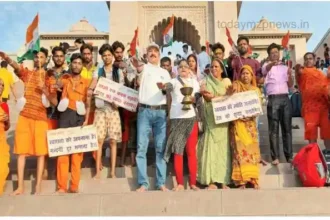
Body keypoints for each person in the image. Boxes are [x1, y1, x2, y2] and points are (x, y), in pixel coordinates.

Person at [0, 49, 58, 195]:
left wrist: (43, 87)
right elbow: (17, 68)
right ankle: (20, 186)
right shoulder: (29, 74)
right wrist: (7, 58)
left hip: (40, 118)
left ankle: (37, 186)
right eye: (36, 57)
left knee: (40, 153)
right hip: (25, 116)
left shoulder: (49, 78)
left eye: (41, 57)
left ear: (46, 60)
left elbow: (54, 101)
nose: (38, 59)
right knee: (21, 152)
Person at [131, 42, 171, 192]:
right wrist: (138, 62)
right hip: (145, 112)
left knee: (160, 149)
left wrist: (165, 89)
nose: (153, 53)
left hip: (161, 112)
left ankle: (160, 182)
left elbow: (168, 92)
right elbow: (138, 66)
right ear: (146, 55)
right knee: (142, 147)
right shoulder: (144, 67)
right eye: (150, 51)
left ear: (159, 55)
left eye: (155, 51)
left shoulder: (165, 73)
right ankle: (143, 183)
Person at [87, 43, 123, 178]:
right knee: (99, 140)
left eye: (109, 55)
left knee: (113, 141)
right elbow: (94, 82)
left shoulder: (118, 72)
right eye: (104, 55)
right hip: (101, 109)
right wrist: (91, 89)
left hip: (113, 109)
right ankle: (97, 172)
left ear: (113, 56)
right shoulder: (98, 71)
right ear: (101, 57)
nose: (107, 57)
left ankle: (112, 172)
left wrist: (118, 103)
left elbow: (122, 90)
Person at [163, 59, 200, 191]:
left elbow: (198, 97)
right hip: (176, 119)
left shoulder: (194, 83)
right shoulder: (173, 82)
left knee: (191, 152)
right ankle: (179, 183)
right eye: (181, 67)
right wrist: (162, 86)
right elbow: (166, 87)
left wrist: (195, 99)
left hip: (191, 119)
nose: (183, 68)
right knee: (178, 152)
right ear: (177, 70)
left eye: (186, 66)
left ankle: (193, 183)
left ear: (190, 69)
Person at [56, 54, 89, 193]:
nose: (76, 65)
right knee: (63, 153)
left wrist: (87, 119)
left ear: (82, 66)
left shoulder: (87, 82)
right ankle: (62, 186)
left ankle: (74, 185)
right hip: (64, 115)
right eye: (74, 62)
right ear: (70, 64)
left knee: (77, 154)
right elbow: (56, 85)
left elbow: (88, 102)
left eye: (79, 63)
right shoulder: (65, 79)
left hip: (79, 116)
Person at [198, 59, 232, 189]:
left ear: (222, 69)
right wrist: (211, 97)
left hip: (223, 120)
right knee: (211, 149)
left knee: (223, 151)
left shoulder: (227, 82)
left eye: (216, 67)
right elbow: (207, 98)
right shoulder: (206, 82)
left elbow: (231, 97)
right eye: (212, 67)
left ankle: (223, 181)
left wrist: (218, 97)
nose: (214, 69)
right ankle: (211, 181)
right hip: (211, 119)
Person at [230, 65, 261, 189]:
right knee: (239, 152)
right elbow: (231, 101)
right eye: (243, 73)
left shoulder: (256, 90)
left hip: (250, 125)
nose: (245, 76)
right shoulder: (237, 86)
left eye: (248, 73)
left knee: (251, 151)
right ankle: (241, 181)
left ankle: (252, 178)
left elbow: (257, 108)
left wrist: (249, 116)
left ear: (252, 76)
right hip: (238, 124)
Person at [262, 43, 293, 165]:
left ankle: (289, 156)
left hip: (285, 99)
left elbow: (290, 85)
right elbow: (265, 70)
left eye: (276, 52)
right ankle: (275, 157)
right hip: (273, 99)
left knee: (287, 129)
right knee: (273, 130)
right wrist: (271, 64)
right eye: (272, 53)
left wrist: (291, 76)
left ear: (279, 53)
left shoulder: (285, 68)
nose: (275, 54)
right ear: (269, 55)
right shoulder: (266, 66)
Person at [43, 46, 70, 180]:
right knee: (48, 143)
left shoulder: (68, 74)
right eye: (56, 56)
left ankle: (59, 172)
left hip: (64, 114)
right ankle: (47, 170)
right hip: (50, 113)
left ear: (64, 58)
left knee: (61, 144)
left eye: (61, 56)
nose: (59, 58)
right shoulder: (47, 74)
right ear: (52, 58)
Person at [295, 52, 330, 150]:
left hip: (324, 107)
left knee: (327, 134)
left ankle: (328, 155)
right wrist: (297, 69)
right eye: (306, 59)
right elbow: (298, 72)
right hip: (310, 108)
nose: (308, 60)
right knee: (311, 135)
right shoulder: (303, 72)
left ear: (314, 61)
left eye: (310, 58)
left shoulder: (322, 74)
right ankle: (312, 156)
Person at [0, 78, 10, 196]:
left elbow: (7, 127)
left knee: (3, 168)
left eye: (2, 85)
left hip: (1, 140)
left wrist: (6, 121)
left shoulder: (4, 105)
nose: (0, 87)